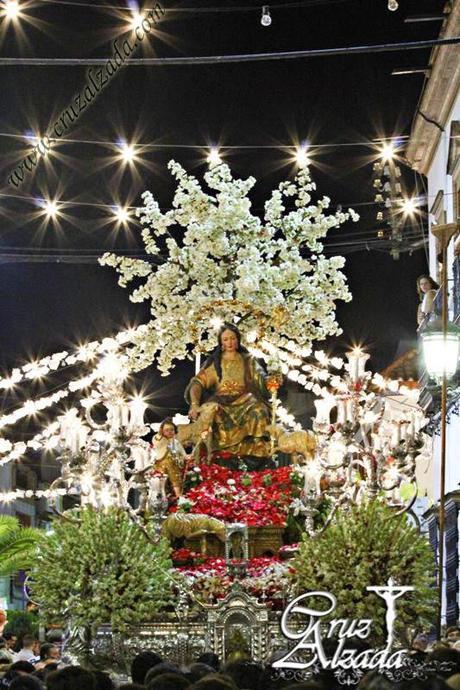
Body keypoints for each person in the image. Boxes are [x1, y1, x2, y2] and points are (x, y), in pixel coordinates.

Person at [185, 324, 272, 468]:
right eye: (226, 339)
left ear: (238, 340)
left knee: (259, 409)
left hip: (246, 400)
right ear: (221, 342)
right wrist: (194, 404)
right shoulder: (215, 363)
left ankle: (255, 452)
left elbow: (261, 378)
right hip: (221, 401)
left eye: (232, 338)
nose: (230, 342)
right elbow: (197, 383)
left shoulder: (248, 360)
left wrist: (270, 381)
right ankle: (222, 455)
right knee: (214, 413)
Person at [151, 418, 187, 497]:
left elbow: (183, 453)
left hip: (174, 465)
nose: (170, 432)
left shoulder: (176, 442)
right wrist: (159, 434)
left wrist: (186, 457)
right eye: (166, 430)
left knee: (176, 482)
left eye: (172, 430)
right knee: (161, 484)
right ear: (162, 431)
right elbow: (156, 441)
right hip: (161, 465)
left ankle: (178, 498)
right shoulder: (159, 439)